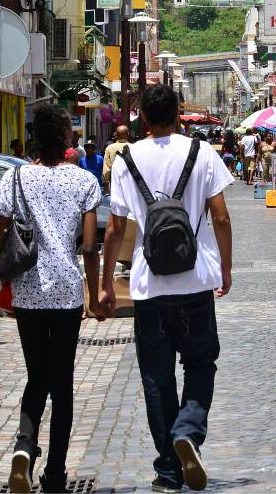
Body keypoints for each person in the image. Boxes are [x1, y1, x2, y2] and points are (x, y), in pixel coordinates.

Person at [102, 85, 233, 493]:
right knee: (200, 363)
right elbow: (222, 217)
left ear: (142, 116)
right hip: (195, 280)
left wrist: (106, 283)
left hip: (148, 283)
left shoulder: (126, 159)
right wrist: (225, 268)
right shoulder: (202, 152)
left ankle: (168, 470)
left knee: (156, 378)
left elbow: (115, 228)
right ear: (178, 112)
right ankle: (188, 433)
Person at [0, 104, 104, 493]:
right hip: (67, 292)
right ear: (65, 137)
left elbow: (2, 229)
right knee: (62, 384)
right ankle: (55, 473)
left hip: (27, 291)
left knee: (35, 376)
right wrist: (95, 294)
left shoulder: (16, 176)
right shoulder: (83, 182)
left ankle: (24, 448)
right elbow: (90, 246)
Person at [102, 125, 133, 191]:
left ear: (117, 135)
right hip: (130, 183)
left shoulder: (109, 148)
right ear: (128, 134)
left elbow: (107, 169)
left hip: (114, 183)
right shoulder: (134, 147)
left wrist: (106, 184)